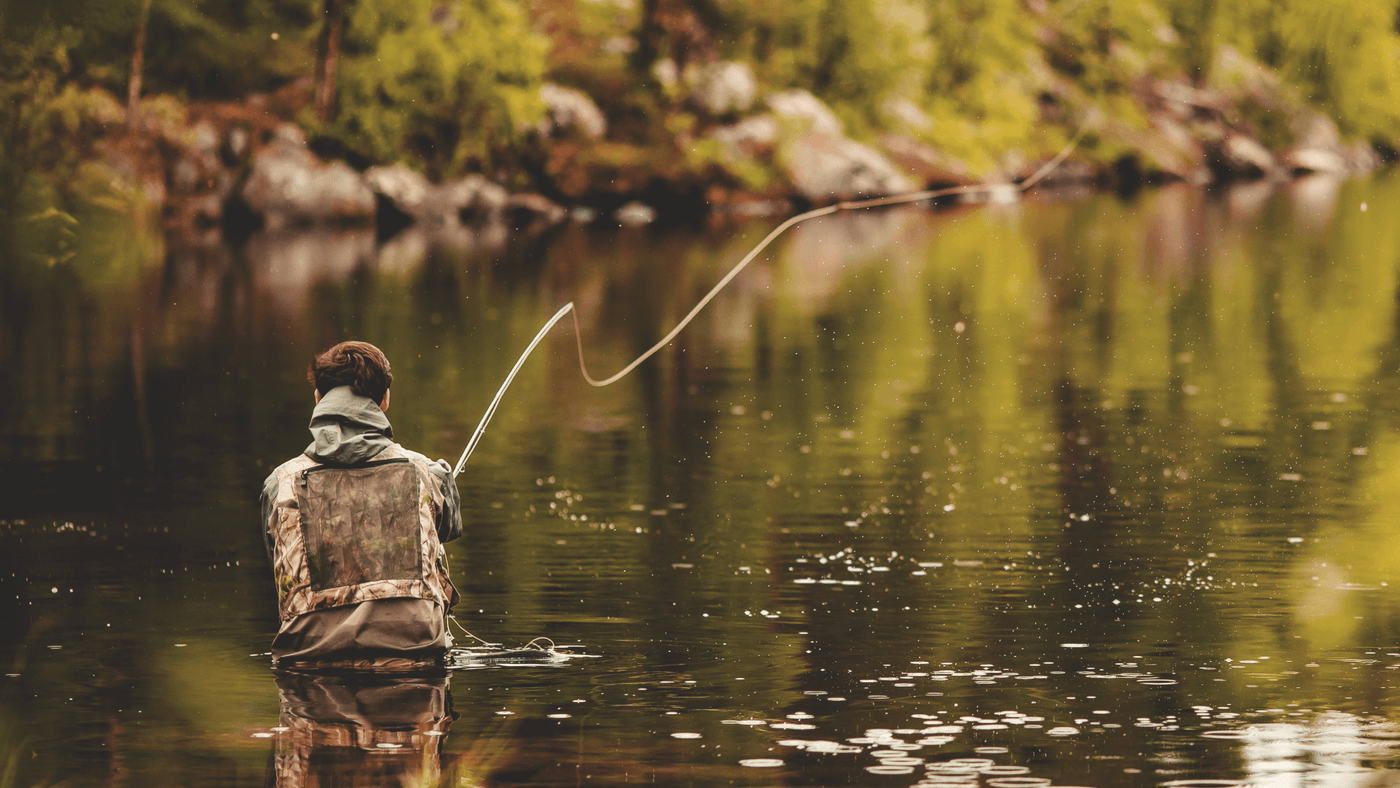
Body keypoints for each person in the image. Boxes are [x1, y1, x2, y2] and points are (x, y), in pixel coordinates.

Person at [260, 341, 461, 670]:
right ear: (385, 401)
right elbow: (446, 531)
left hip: (307, 668)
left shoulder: (277, 486)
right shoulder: (431, 474)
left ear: (318, 399)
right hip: (416, 662)